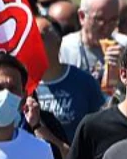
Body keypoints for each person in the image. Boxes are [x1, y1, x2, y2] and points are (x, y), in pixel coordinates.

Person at [31, 15, 106, 146]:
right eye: (30, 38)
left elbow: (100, 129)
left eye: (41, 37)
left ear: (58, 40)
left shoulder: (83, 82)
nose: (35, 43)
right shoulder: (22, 86)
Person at [58, 0, 123, 82]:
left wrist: (123, 68)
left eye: (113, 20)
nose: (106, 28)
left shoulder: (125, 46)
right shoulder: (64, 48)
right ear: (82, 17)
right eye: (99, 20)